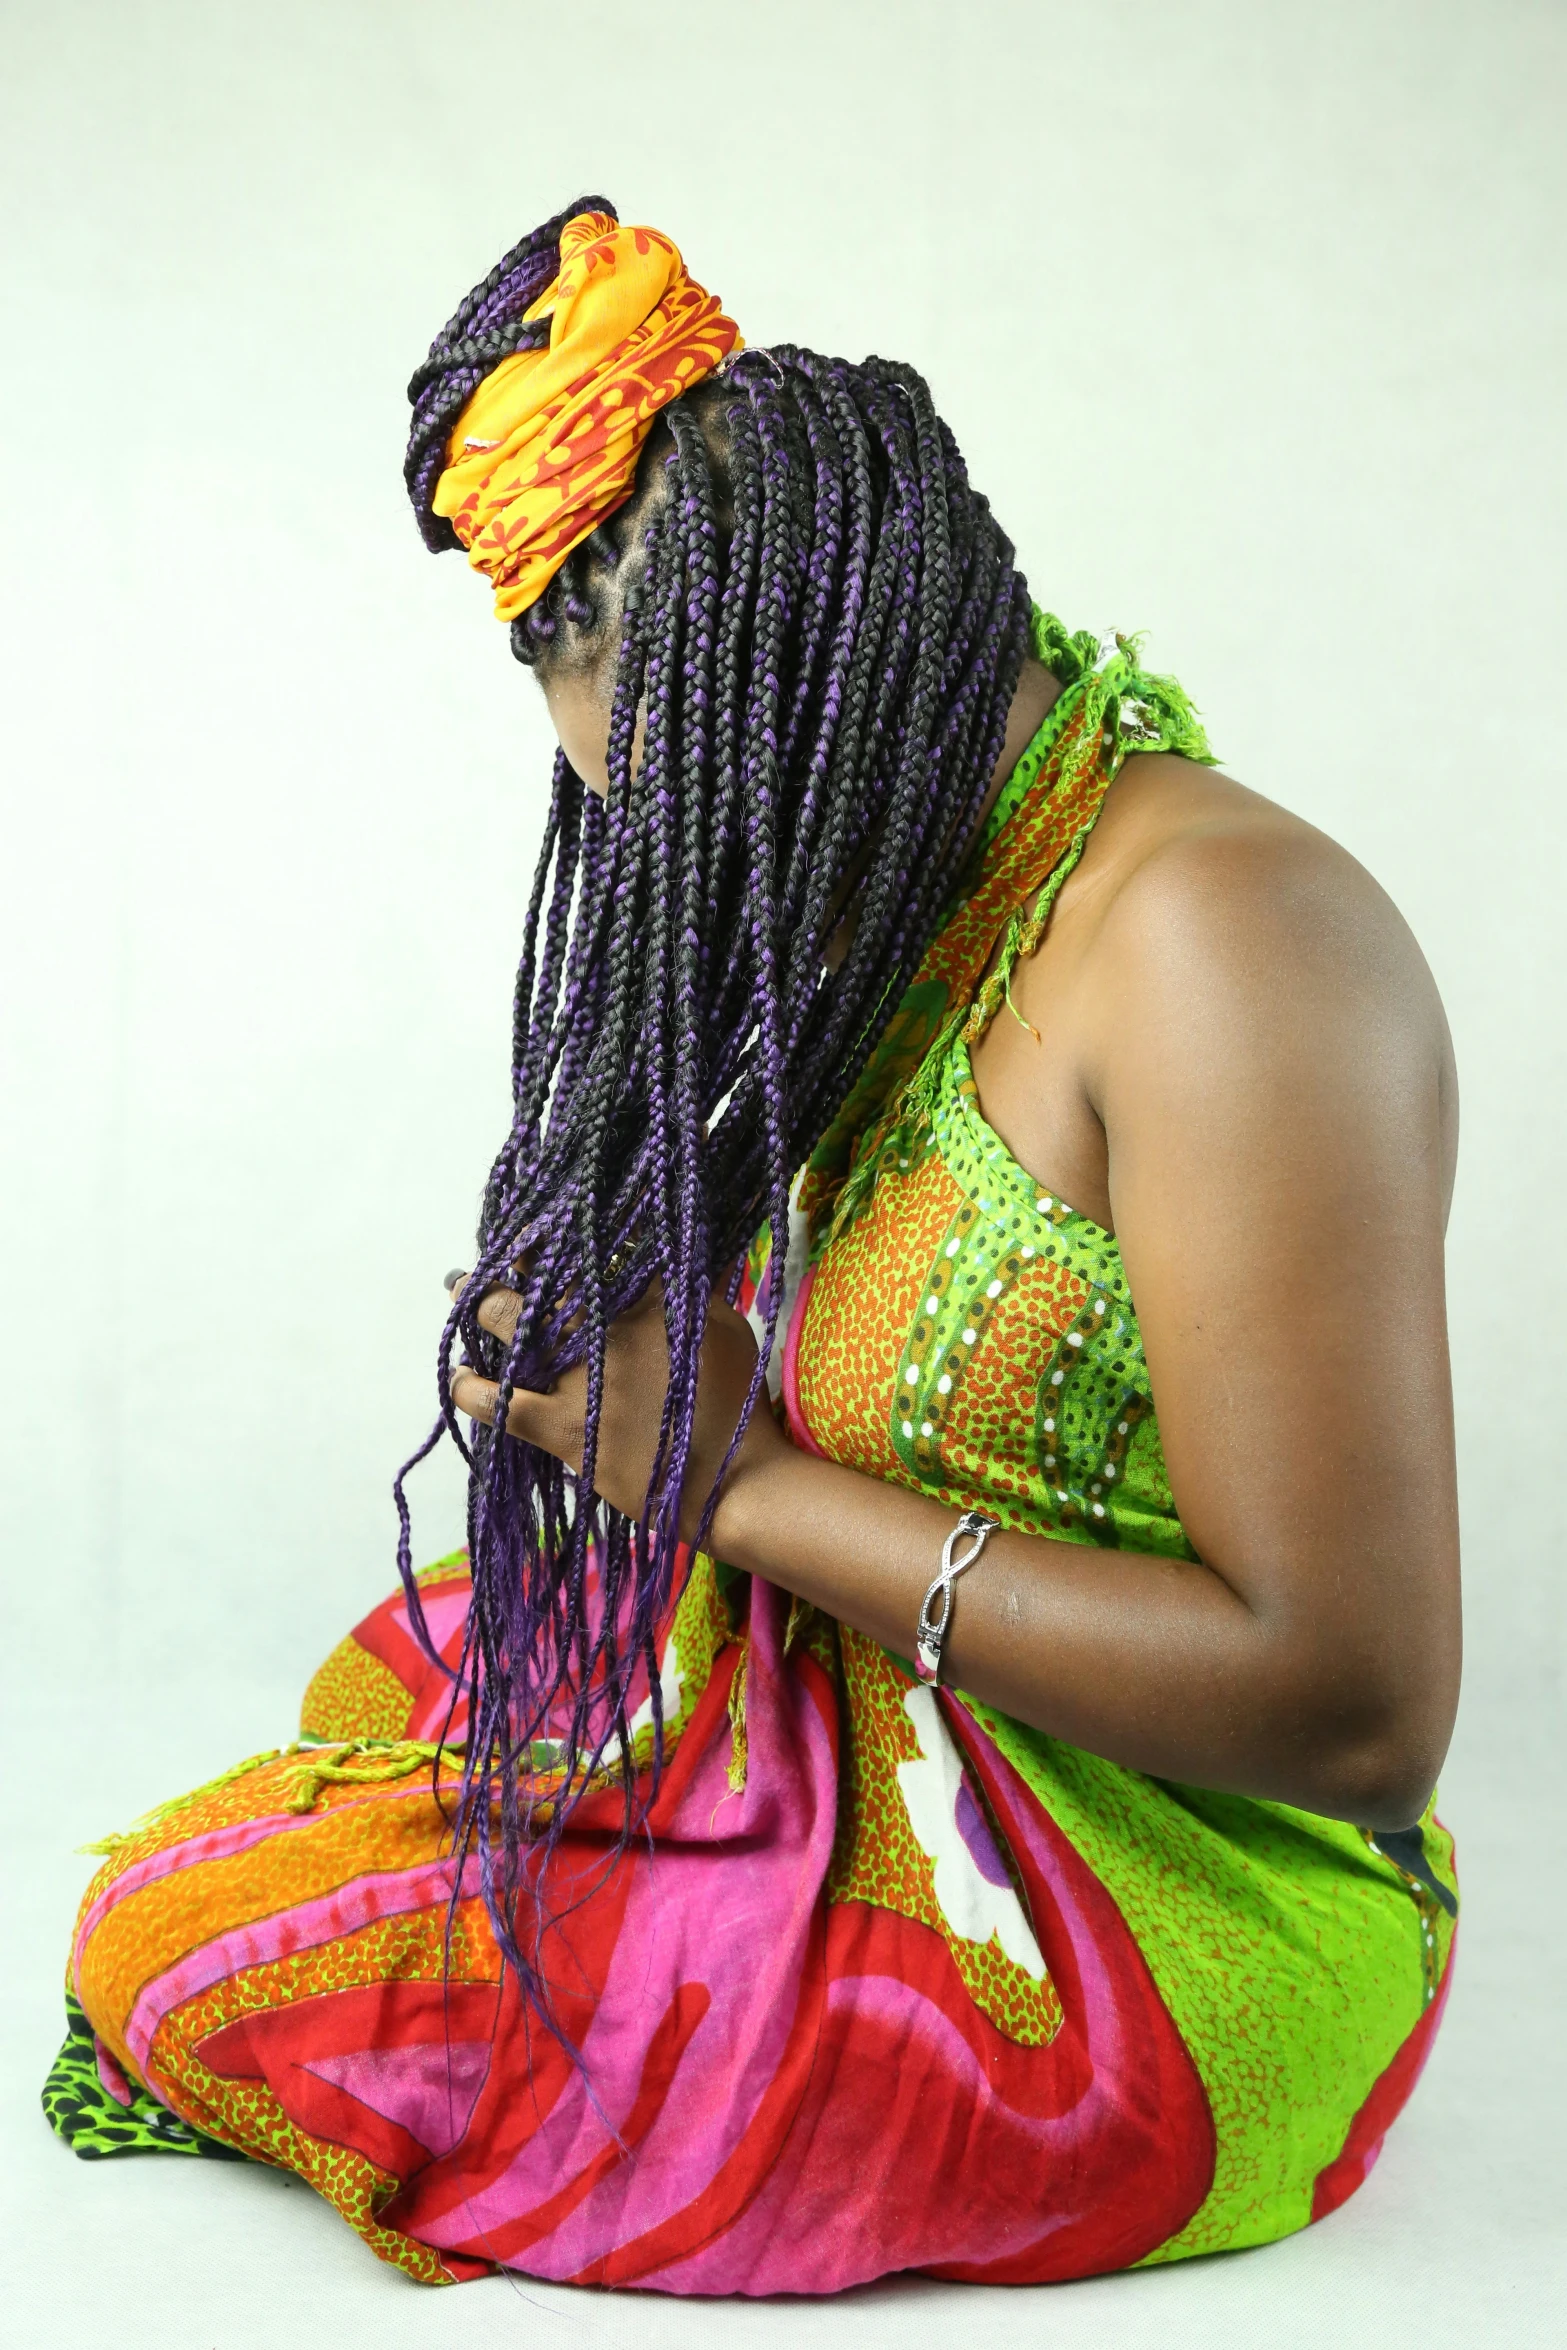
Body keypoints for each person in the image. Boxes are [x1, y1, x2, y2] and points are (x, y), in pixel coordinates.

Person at [45, 199, 1461, 2293]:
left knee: (228, 1954)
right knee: (304, 1818)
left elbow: (1353, 1712)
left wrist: (742, 1486)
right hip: (897, 1702)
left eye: (702, 807)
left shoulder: (1225, 952)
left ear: (832, 698)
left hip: (1172, 1897)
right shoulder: (947, 868)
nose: (671, 873)